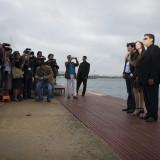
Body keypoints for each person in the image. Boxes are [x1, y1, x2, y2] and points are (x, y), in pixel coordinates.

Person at [139, 34, 160, 122]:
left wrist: (152, 77)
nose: (144, 40)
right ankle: (149, 113)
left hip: (151, 79)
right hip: (144, 79)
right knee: (147, 98)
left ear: (151, 40)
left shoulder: (155, 48)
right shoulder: (147, 51)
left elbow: (156, 64)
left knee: (152, 97)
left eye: (145, 38)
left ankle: (154, 116)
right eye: (143, 38)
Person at [129, 41, 147, 117]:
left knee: (137, 91)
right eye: (136, 44)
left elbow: (135, 64)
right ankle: (141, 108)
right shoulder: (136, 54)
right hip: (137, 75)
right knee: (139, 91)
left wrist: (128, 59)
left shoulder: (144, 53)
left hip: (142, 75)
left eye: (138, 44)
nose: (137, 45)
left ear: (142, 45)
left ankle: (139, 108)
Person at [122, 43, 136, 113]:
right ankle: (129, 106)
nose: (128, 49)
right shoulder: (128, 55)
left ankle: (133, 108)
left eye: (129, 47)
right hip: (127, 75)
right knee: (129, 92)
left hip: (132, 75)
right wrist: (123, 73)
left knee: (133, 92)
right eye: (127, 47)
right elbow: (126, 65)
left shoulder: (135, 54)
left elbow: (134, 65)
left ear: (133, 48)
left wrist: (132, 74)